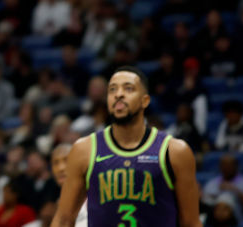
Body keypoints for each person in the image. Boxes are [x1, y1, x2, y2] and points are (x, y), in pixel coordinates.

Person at [50, 66, 201, 227]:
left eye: (128, 88)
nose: (118, 94)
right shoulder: (84, 150)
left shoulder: (175, 151)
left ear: (145, 101)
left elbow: (191, 222)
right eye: (112, 90)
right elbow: (63, 220)